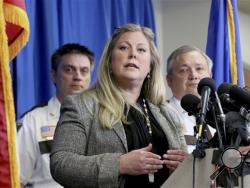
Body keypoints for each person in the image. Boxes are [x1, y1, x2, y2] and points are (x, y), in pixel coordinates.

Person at [50, 23, 188, 188]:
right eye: (123, 48)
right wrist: (120, 164)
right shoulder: (81, 105)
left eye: (141, 50)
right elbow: (61, 164)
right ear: (109, 62)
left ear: (150, 65)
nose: (132, 55)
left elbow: (185, 172)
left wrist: (185, 166)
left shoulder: (167, 113)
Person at [17, 43, 95, 188]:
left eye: (84, 71)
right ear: (53, 75)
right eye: (69, 69)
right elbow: (16, 180)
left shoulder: (103, 119)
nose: (78, 77)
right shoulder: (33, 121)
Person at [166, 45, 214, 153]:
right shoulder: (161, 116)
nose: (193, 75)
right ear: (169, 80)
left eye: (199, 68)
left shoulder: (221, 116)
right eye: (184, 70)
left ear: (210, 75)